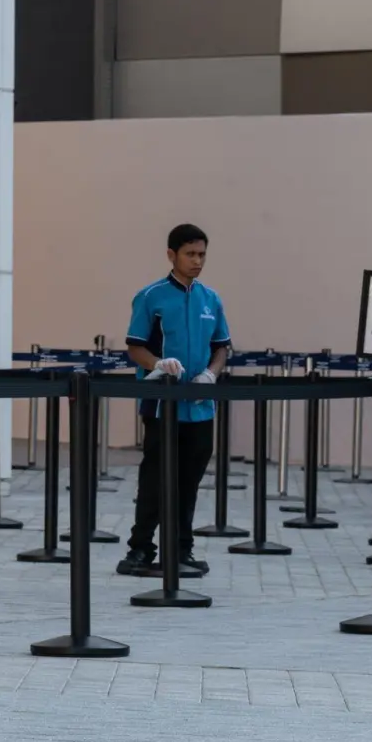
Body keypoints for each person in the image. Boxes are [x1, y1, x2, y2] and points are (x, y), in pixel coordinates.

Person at [117, 224, 231, 579]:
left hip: (200, 407)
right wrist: (157, 364)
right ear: (172, 255)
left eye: (202, 255)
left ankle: (182, 548)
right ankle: (140, 548)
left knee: (190, 480)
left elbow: (221, 348)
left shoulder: (211, 299)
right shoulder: (150, 296)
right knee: (155, 478)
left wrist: (211, 374)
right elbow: (135, 345)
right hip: (161, 405)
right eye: (190, 254)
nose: (197, 261)